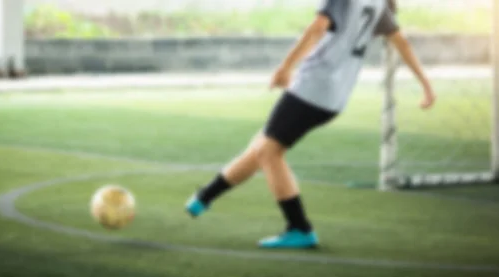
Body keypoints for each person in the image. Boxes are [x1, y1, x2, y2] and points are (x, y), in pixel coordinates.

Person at [185, 0, 436, 249]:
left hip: (313, 87)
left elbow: (317, 27)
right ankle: (204, 197)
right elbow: (401, 41)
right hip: (335, 97)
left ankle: (300, 228)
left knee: (267, 152)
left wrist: (285, 68)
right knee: (263, 146)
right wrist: (426, 85)